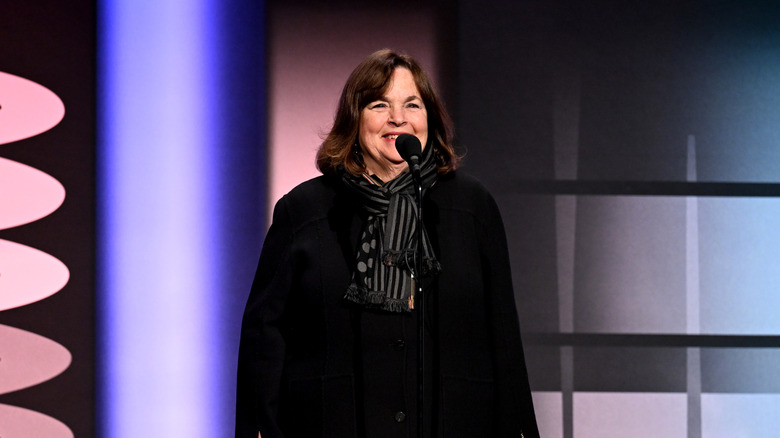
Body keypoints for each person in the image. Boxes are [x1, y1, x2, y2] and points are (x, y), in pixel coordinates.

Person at [236, 49, 539, 438]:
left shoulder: (471, 207)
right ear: (354, 121)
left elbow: (503, 334)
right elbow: (265, 335)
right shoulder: (305, 211)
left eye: (412, 104)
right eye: (380, 104)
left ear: (429, 119)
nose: (399, 117)